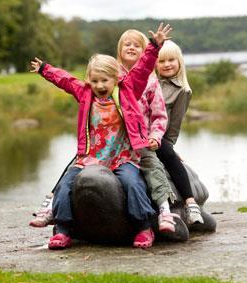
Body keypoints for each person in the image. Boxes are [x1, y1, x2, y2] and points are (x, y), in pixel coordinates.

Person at [29, 23, 172, 250]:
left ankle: (143, 227)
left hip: (123, 156)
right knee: (66, 183)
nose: (99, 85)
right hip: (92, 157)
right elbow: (66, 80)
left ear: (116, 78)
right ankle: (63, 230)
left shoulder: (128, 90)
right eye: (95, 81)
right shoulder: (85, 93)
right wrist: (45, 69)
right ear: (89, 80)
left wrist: (154, 46)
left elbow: (143, 68)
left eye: (105, 81)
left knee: (133, 183)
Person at [117, 29, 179, 233]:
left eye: (137, 45)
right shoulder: (110, 75)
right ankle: (53, 203)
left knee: (153, 167)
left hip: (139, 140)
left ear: (145, 52)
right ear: (120, 49)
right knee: (77, 164)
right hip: (112, 140)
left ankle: (164, 209)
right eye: (127, 44)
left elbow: (159, 115)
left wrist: (154, 136)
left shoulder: (151, 81)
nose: (131, 48)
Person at [155, 40, 204, 225]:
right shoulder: (150, 83)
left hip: (160, 137)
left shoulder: (182, 91)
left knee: (170, 156)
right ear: (155, 64)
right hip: (139, 135)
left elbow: (174, 125)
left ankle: (190, 203)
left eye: (171, 60)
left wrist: (169, 146)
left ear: (179, 62)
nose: (167, 64)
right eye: (162, 61)